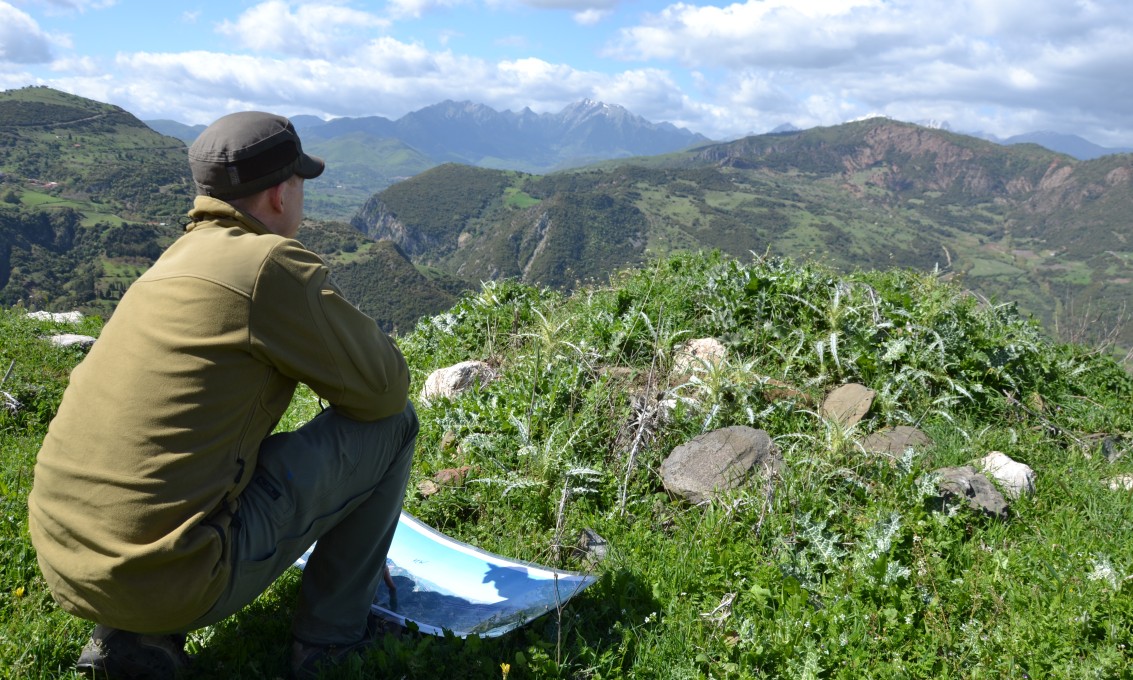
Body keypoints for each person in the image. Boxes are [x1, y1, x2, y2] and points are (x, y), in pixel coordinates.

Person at [27, 111, 418, 679]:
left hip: (65, 558)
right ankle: (330, 643)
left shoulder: (168, 264)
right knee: (395, 425)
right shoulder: (268, 265)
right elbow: (384, 391)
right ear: (282, 193)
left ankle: (131, 637)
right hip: (175, 575)